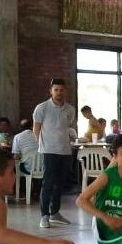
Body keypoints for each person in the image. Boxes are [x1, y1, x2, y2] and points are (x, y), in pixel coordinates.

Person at [33, 78, 76, 229]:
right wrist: (41, 146)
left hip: (65, 151)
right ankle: (44, 215)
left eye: (61, 90)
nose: (59, 93)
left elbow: (67, 127)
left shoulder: (70, 109)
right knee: (48, 184)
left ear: (65, 91)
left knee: (60, 184)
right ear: (51, 91)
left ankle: (55, 213)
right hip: (48, 151)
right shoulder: (42, 108)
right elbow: (36, 129)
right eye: (56, 90)